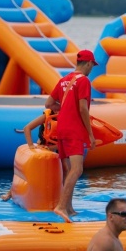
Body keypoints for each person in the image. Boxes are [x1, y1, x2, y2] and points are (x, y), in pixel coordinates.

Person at [45, 49, 97, 222]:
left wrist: (65, 109)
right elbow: (83, 108)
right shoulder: (84, 81)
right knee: (77, 169)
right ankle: (61, 206)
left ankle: (68, 207)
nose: (92, 69)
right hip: (74, 130)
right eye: (92, 65)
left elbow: (49, 103)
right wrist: (90, 134)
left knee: (68, 169)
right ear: (88, 63)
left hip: (62, 129)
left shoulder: (63, 80)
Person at [1, 103, 60, 201]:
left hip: (58, 149)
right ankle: (10, 193)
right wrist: (31, 146)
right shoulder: (46, 116)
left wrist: (54, 147)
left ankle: (58, 198)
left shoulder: (68, 118)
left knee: (63, 172)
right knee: (28, 172)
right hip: (43, 148)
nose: (57, 109)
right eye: (55, 106)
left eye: (59, 106)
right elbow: (27, 128)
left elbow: (67, 142)